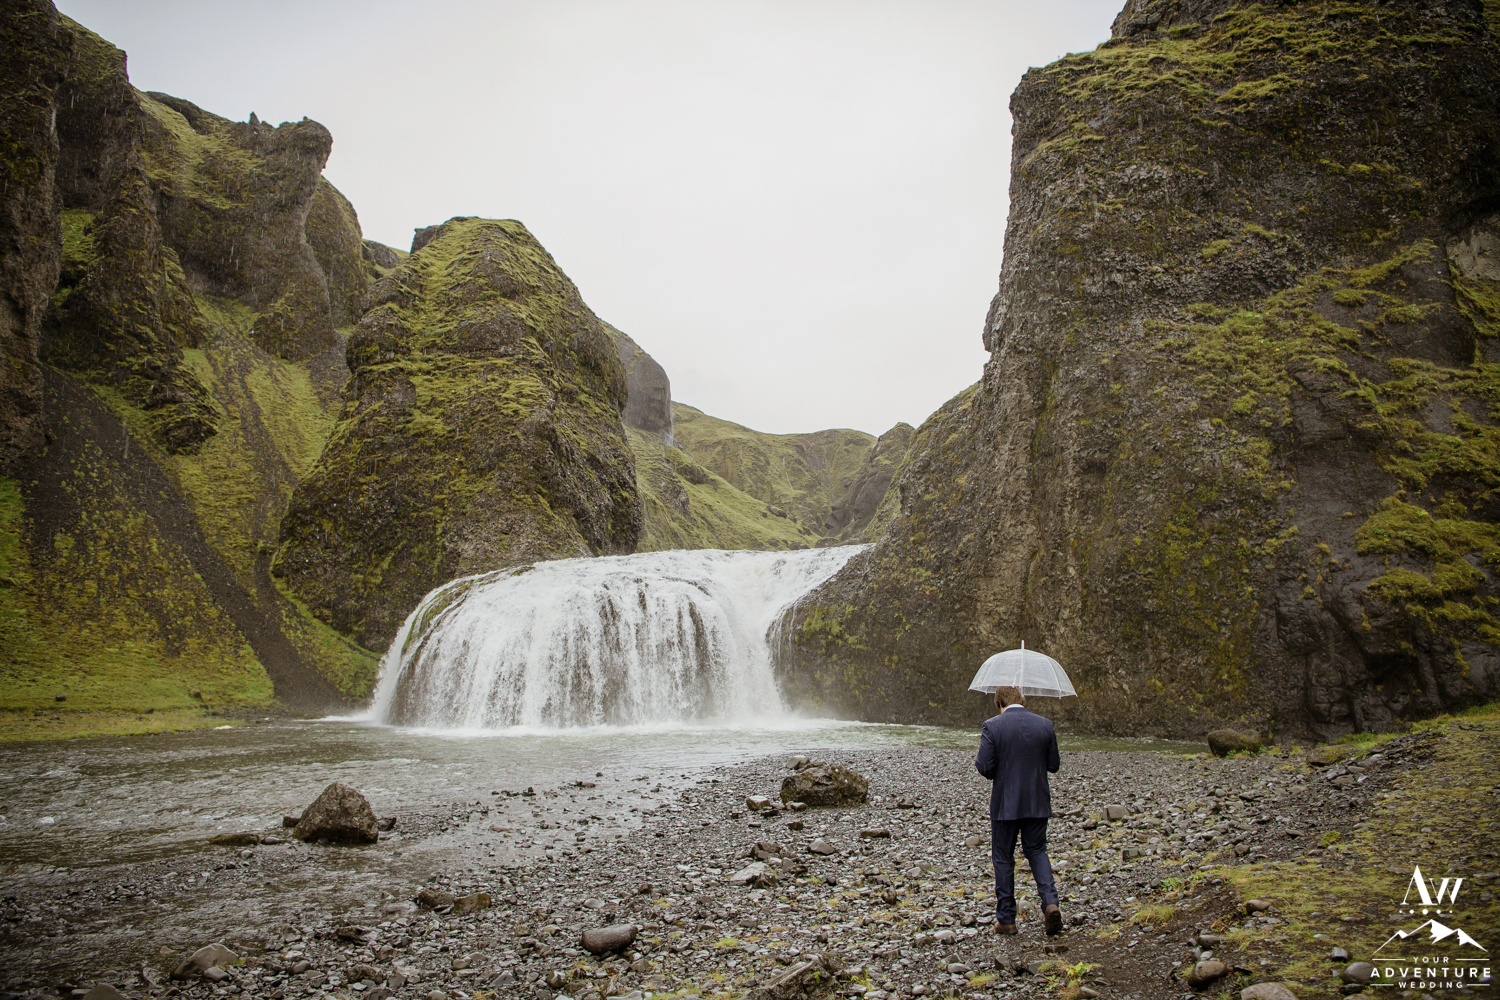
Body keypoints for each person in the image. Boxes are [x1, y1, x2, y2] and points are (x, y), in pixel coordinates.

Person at [974, 685, 1062, 936]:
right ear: (1021, 700)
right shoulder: (1044, 725)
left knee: (1003, 858)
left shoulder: (993, 726)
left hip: (1005, 805)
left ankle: (1007, 919)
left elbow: (984, 767)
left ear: (1000, 703)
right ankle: (1051, 903)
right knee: (1037, 851)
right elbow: (1054, 765)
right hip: (1037, 802)